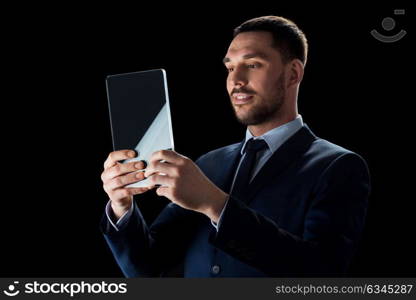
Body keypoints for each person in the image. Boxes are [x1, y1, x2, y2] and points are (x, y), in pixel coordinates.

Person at [100, 16, 370, 277]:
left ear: (293, 73)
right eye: (230, 67)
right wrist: (122, 207)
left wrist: (216, 205)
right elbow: (149, 269)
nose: (236, 80)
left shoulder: (338, 166)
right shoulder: (208, 164)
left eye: (252, 65)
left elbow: (322, 273)